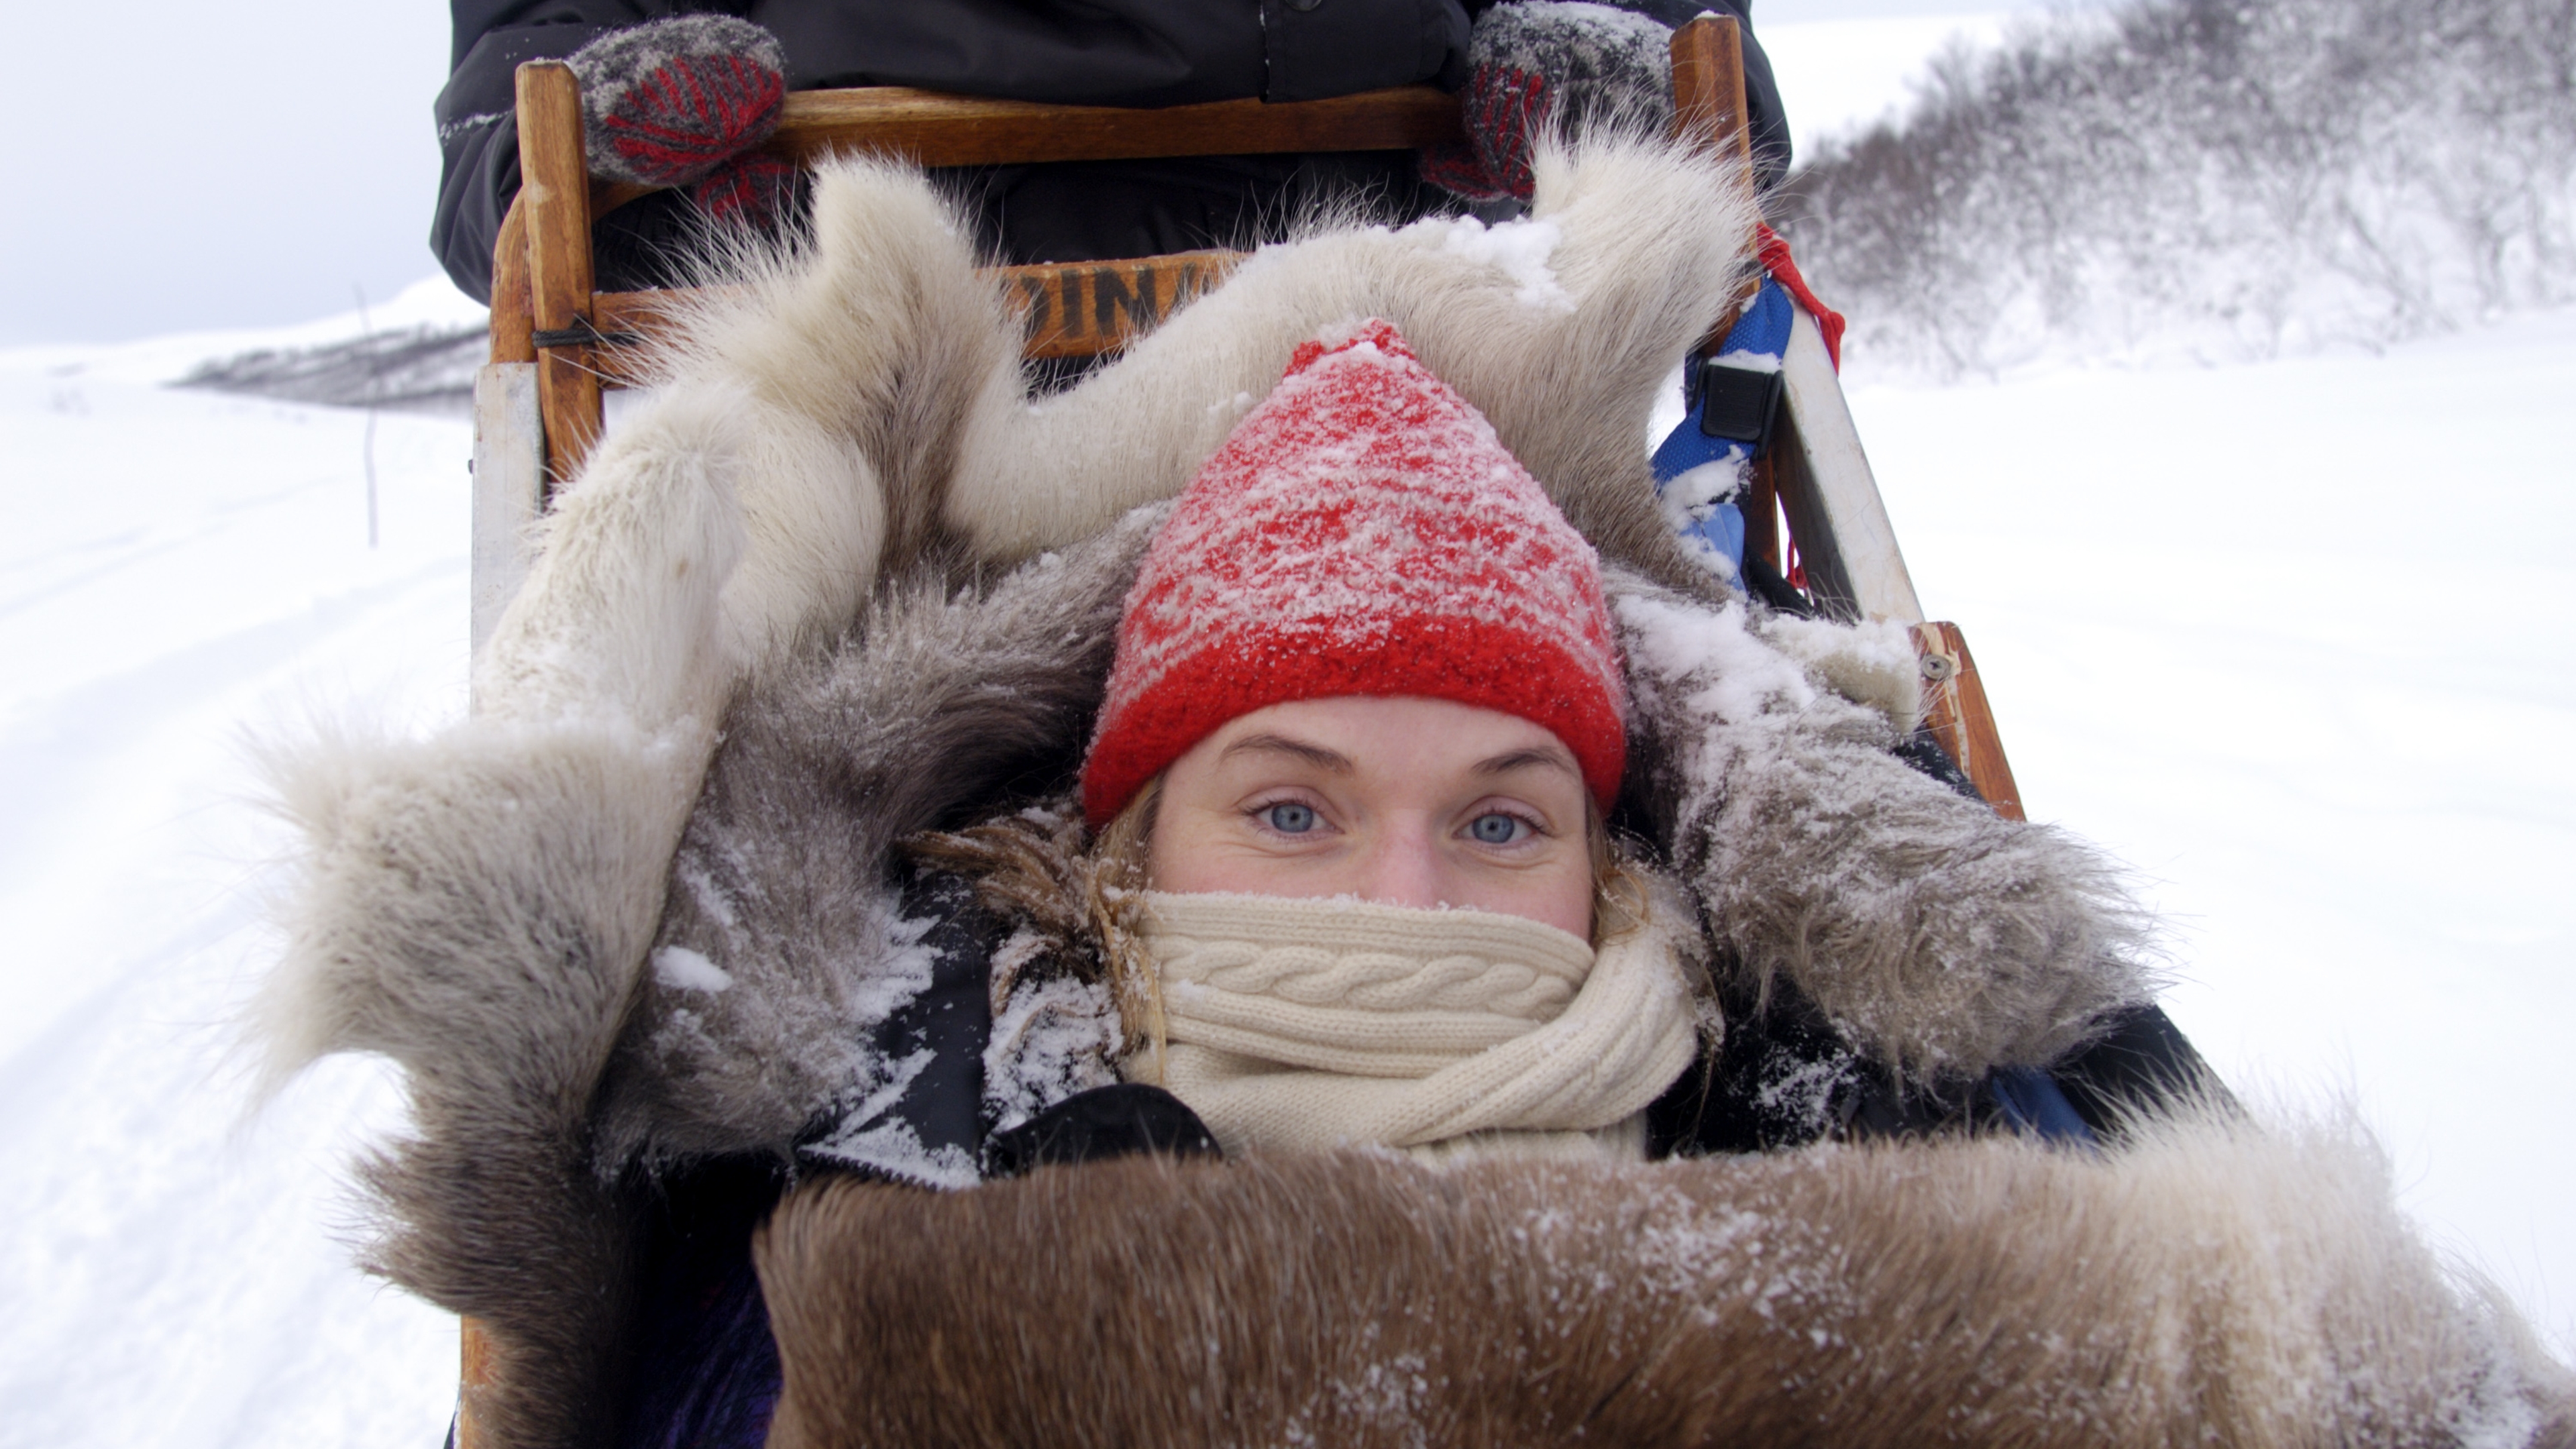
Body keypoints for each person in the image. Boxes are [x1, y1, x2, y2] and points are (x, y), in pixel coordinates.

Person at [260, 138, 2564, 1449]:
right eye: (1285, 804)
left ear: (1616, 845)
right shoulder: (865, 1121)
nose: (1419, 898)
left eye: (1502, 814)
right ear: (1116, 827)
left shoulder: (1856, 1090)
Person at [430, 0, 1794, 305]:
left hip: (1417, 354)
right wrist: (628, 158)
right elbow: (508, 187)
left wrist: (1600, 86)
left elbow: (1716, 103)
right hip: (881, 403)